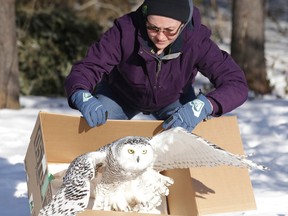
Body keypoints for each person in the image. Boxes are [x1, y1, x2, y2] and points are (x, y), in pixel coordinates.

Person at [64, 0, 248, 132]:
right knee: (94, 133)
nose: (160, 37)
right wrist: (80, 93)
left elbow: (236, 84)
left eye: (169, 31)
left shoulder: (197, 41)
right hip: (120, 95)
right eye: (153, 28)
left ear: (183, 25)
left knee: (190, 144)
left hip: (174, 99)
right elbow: (89, 66)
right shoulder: (125, 31)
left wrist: (205, 105)